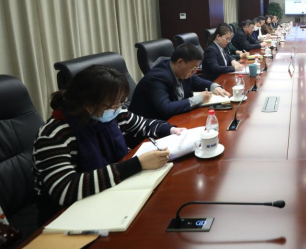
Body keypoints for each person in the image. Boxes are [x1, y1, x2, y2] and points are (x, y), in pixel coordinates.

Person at [33, 65, 185, 223]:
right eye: (113, 104)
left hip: (112, 193)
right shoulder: (53, 135)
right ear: (88, 104)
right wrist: (137, 164)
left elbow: (143, 124)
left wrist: (170, 130)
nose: (118, 108)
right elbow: (65, 189)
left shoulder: (110, 114)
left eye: (121, 101)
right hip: (70, 214)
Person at [129, 44, 230, 120]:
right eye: (193, 68)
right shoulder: (157, 78)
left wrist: (214, 86)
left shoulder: (182, 71)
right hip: (150, 129)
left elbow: (197, 81)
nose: (195, 72)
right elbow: (166, 108)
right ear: (180, 62)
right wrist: (198, 99)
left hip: (175, 119)